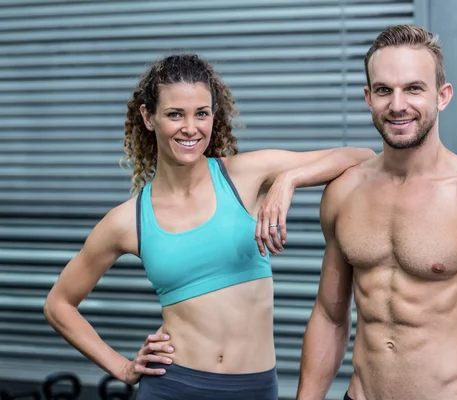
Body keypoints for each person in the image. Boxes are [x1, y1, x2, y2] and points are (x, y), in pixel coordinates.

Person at [43, 53, 375, 400]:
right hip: (173, 387)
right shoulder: (129, 220)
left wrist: (288, 180)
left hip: (254, 389)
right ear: (148, 117)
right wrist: (123, 368)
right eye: (175, 114)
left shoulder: (246, 176)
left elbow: (362, 156)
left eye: (201, 113)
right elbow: (58, 304)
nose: (191, 128)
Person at [295, 25, 457, 400]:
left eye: (413, 88)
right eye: (383, 90)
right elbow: (330, 317)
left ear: (442, 96)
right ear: (367, 97)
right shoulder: (344, 193)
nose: (397, 105)